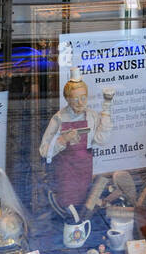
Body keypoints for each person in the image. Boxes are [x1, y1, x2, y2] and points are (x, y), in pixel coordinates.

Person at [40, 76, 112, 216]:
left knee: (84, 207)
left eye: (83, 98)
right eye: (75, 99)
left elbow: (101, 140)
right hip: (64, 173)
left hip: (84, 171)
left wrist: (107, 109)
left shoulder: (91, 116)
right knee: (66, 210)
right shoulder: (59, 118)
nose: (80, 103)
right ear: (67, 99)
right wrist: (62, 140)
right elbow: (44, 151)